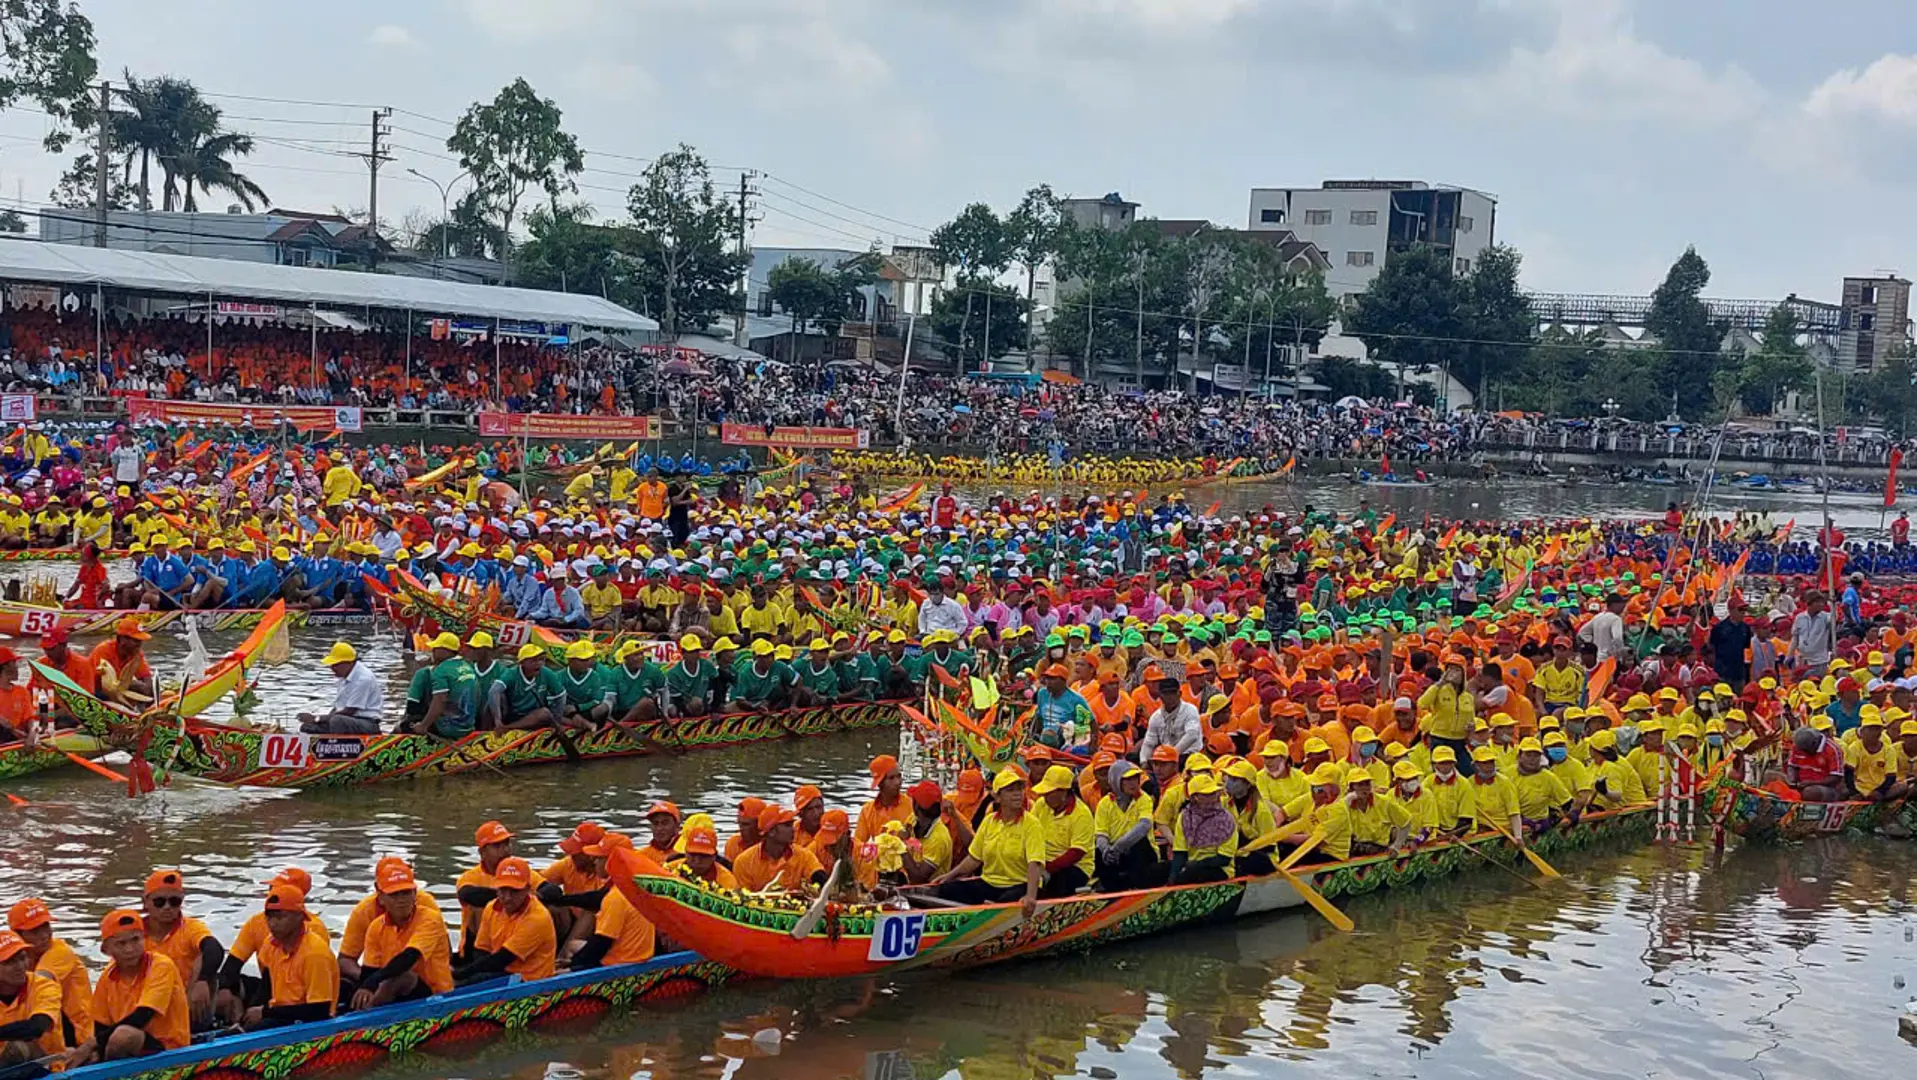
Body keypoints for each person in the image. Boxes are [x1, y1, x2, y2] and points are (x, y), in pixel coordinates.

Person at [71, 909, 190, 1064]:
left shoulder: (161, 966)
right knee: (73, 1053)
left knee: (124, 1036)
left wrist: (91, 1045)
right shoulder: (107, 977)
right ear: (106, 949)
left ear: (144, 939)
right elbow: (100, 1025)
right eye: (121, 943)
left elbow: (143, 1015)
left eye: (135, 940)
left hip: (169, 1047)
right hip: (127, 1044)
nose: (130, 949)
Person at [934, 771, 1044, 915]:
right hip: (990, 883)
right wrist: (949, 876)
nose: (1017, 794)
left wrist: (1030, 896)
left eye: (1019, 789)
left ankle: (991, 911)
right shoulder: (989, 821)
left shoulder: (1032, 824)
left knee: (1006, 901)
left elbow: (1034, 863)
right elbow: (974, 858)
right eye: (1010, 790)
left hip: (1019, 884)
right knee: (947, 890)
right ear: (997, 797)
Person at [234, 885, 337, 1031]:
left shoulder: (315, 953)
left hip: (311, 1024)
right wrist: (248, 1017)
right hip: (280, 1015)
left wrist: (265, 1013)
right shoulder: (271, 945)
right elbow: (266, 986)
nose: (273, 924)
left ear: (300, 916)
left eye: (280, 917)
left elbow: (320, 1010)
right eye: (269, 917)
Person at [351, 862, 452, 1009]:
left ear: (415, 894)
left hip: (434, 994)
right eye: (394, 894)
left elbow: (409, 957)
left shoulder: (430, 918)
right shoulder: (376, 927)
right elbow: (369, 971)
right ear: (381, 898)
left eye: (406, 893)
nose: (401, 900)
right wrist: (365, 989)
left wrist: (373, 982)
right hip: (396, 991)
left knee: (401, 977)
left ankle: (364, 1020)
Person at [138, 870, 220, 1031]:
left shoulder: (191, 928)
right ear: (146, 902)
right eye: (159, 902)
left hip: (186, 1005)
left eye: (174, 901)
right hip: (146, 1004)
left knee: (203, 959)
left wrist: (203, 979)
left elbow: (214, 948)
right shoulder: (133, 934)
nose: (167, 907)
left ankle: (199, 1028)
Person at [456, 858, 555, 985]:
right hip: (504, 972)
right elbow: (482, 950)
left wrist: (459, 975)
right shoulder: (491, 907)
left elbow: (503, 958)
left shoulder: (537, 918)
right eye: (503, 890)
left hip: (530, 982)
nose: (507, 898)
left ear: (527, 889)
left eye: (514, 891)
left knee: (462, 982)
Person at [6, 899, 90, 1049]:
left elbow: (38, 982)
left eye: (46, 926)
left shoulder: (60, 951)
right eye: (35, 931)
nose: (44, 935)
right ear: (16, 935)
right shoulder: (23, 959)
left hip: (76, 1035)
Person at [0, 928, 64, 1066]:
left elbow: (38, 1026)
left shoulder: (44, 986)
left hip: (47, 1064)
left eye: (22, 958)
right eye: (9, 962)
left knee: (18, 1048)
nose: (20, 966)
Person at [1030, 765, 1095, 897]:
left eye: (1049, 792)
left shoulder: (1082, 814)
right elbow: (1029, 832)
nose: (1045, 796)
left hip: (1076, 866)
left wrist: (1047, 869)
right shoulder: (1040, 805)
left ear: (1064, 792)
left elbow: (1076, 853)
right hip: (1041, 861)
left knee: (1056, 882)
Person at [731, 804, 823, 893]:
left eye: (791, 824)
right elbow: (743, 899)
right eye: (787, 825)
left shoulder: (804, 855)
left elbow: (819, 877)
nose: (793, 829)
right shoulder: (744, 862)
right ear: (771, 832)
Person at [298, 641, 384, 735]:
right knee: (307, 727)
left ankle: (338, 746)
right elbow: (338, 708)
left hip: (367, 723)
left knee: (337, 721)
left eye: (335, 665)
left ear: (348, 663)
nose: (332, 668)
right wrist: (318, 721)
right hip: (347, 720)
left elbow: (349, 711)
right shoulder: (344, 676)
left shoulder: (363, 679)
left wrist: (317, 718)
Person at [1137, 677, 1202, 763]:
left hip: (1189, 755)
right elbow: (1149, 743)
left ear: (1180, 693)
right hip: (1165, 759)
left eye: (1173, 693)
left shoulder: (1190, 710)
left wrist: (1172, 754)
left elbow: (1192, 735)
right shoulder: (1156, 716)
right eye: (1166, 693)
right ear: (1160, 696)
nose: (1170, 697)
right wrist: (1144, 762)